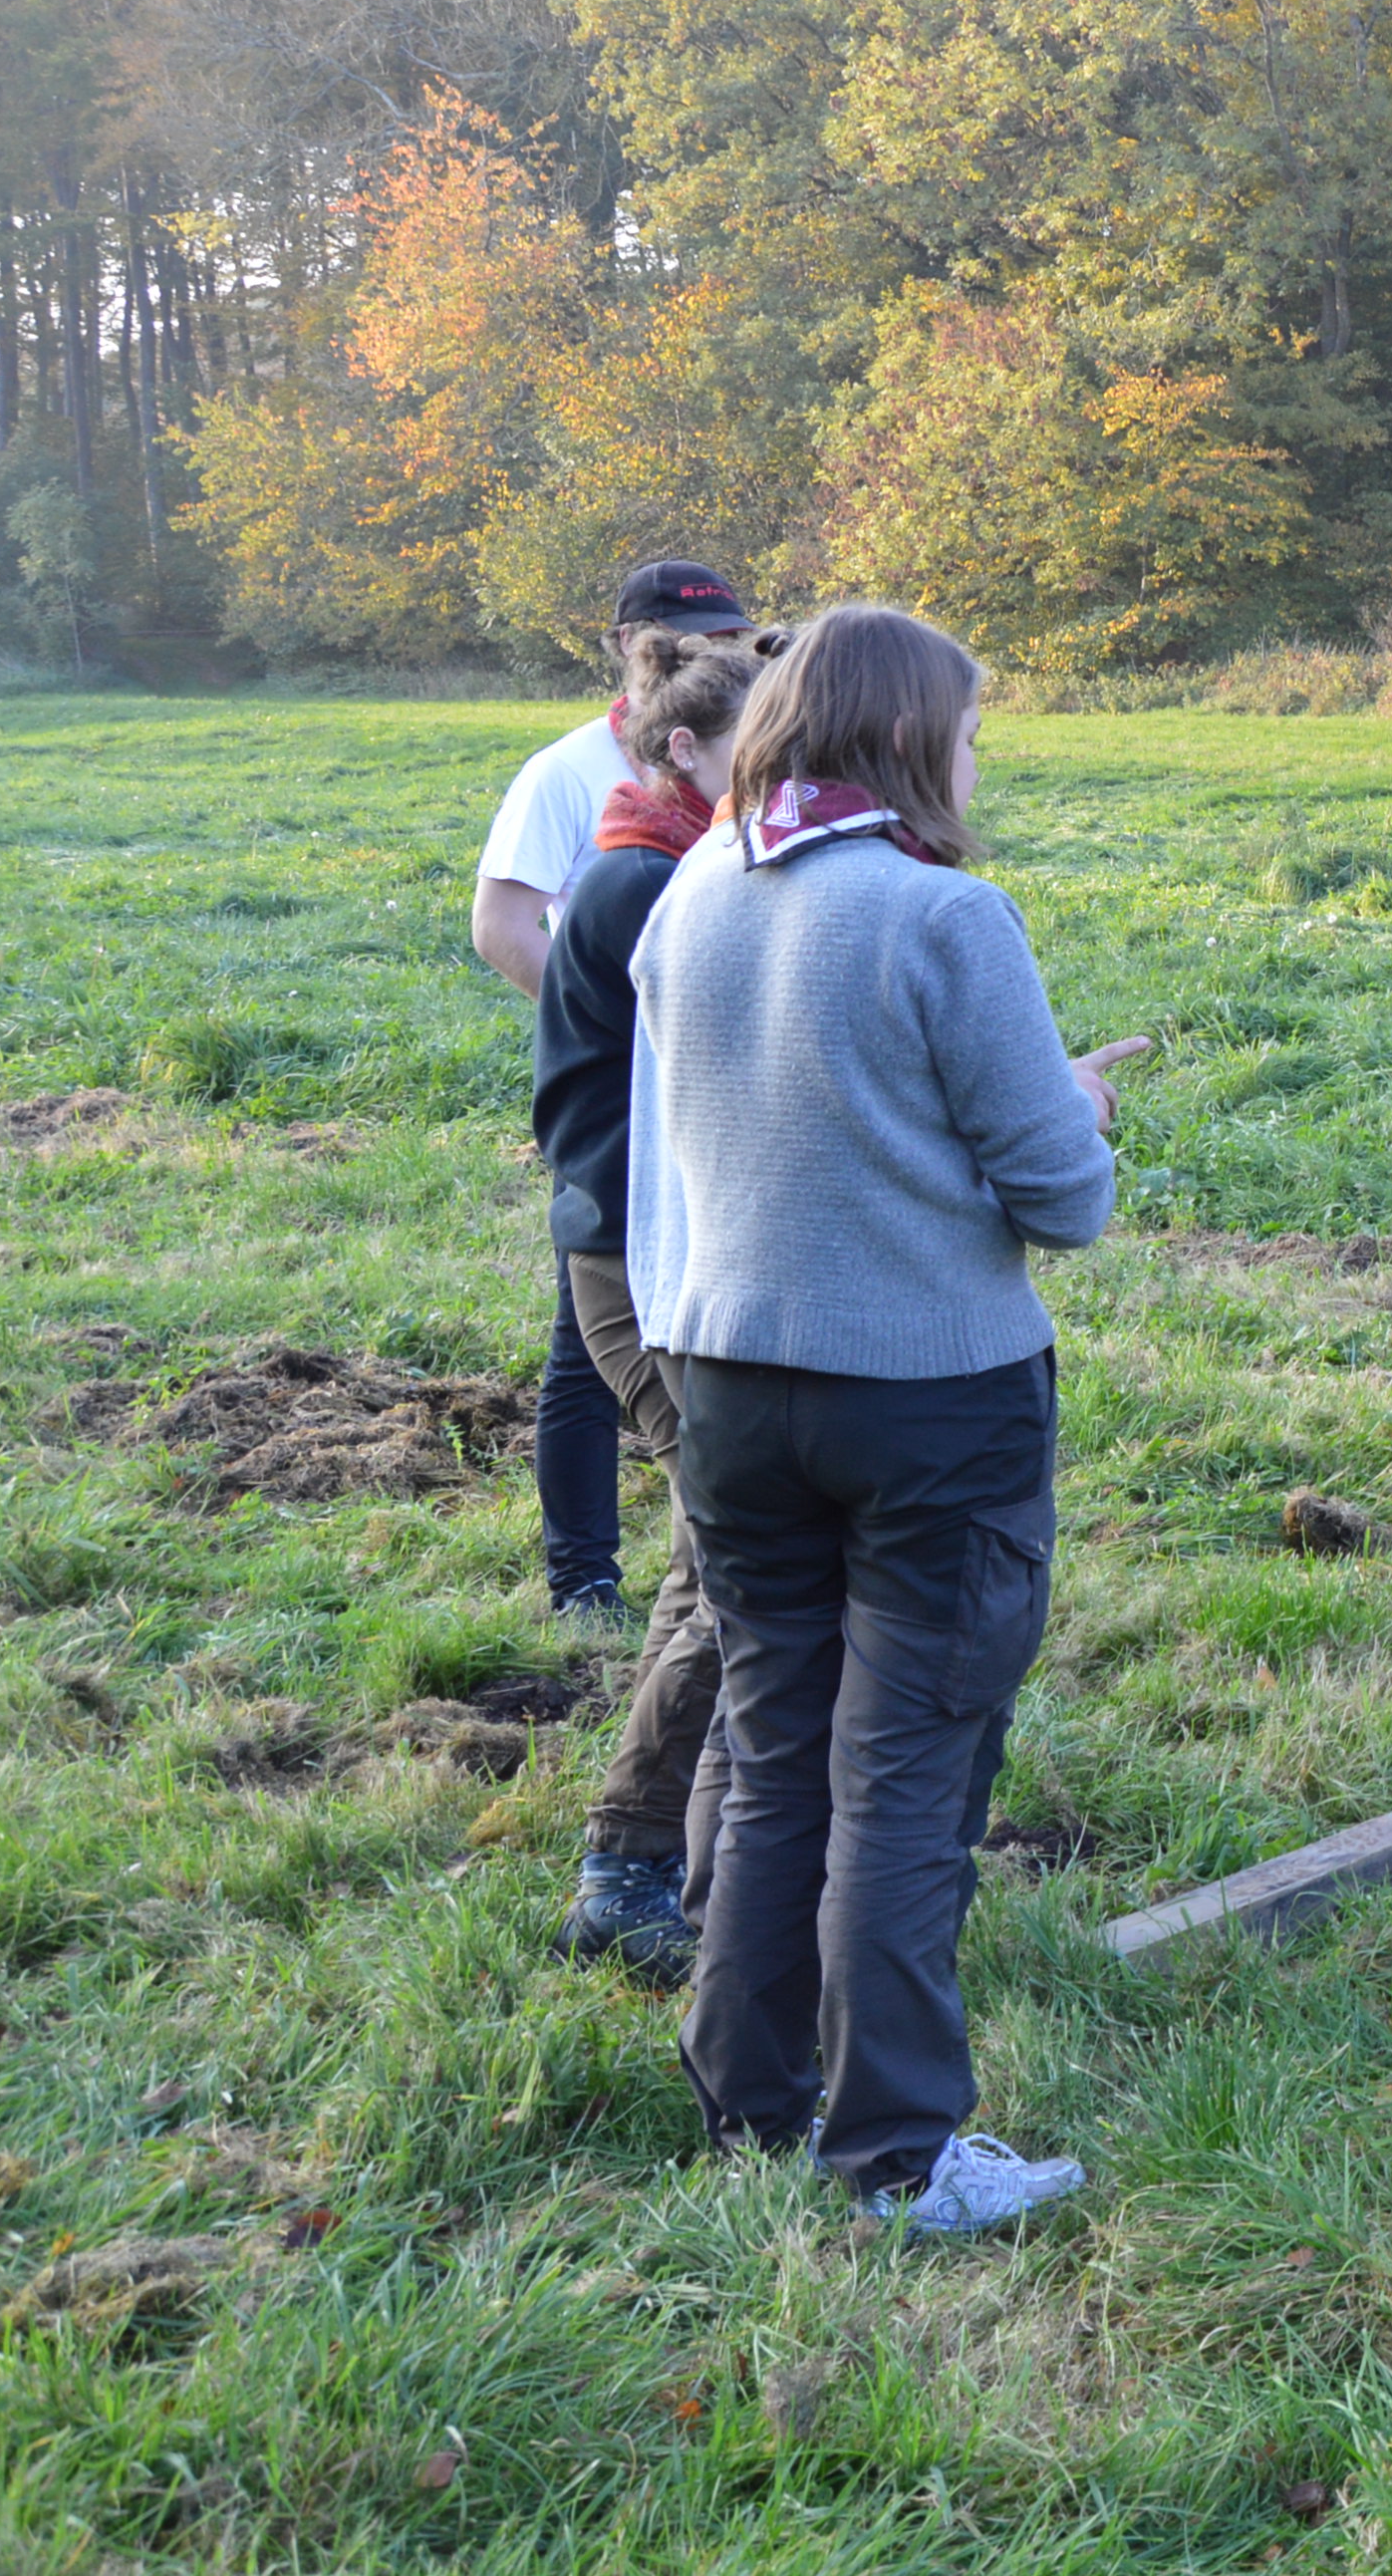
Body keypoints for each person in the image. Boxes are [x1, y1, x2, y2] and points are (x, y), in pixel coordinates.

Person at [630, 604, 1152, 2235]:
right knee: (908, 1774)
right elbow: (1063, 1200)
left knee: (775, 1749)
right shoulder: (946, 917)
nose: (979, 763)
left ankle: (750, 2102)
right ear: (914, 737)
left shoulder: (694, 891)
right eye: (972, 734)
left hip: (730, 1387)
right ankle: (901, 2157)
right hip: (932, 1405)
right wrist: (1074, 1103)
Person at [534, 625, 767, 1983]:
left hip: (669, 1250)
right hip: (637, 1263)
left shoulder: (671, 859)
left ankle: (657, 1858)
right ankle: (631, 1871)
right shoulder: (646, 881)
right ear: (685, 748)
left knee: (714, 1553)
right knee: (738, 1557)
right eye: (757, 744)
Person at [472, 558, 766, 1616]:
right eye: (691, 639)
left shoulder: (747, 743)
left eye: (730, 636)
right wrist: (605, 1023)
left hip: (690, 1110)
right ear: (626, 648)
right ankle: (583, 1577)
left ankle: (691, 1593)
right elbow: (501, 923)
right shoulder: (570, 772)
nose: (714, 652)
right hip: (617, 1110)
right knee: (587, 1346)